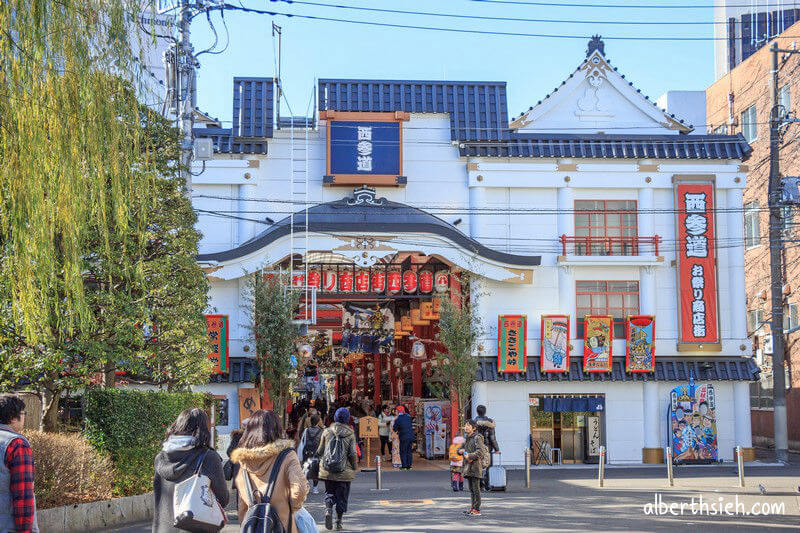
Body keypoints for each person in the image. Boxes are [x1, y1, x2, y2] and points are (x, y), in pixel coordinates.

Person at [153, 408, 229, 533]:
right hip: (197, 526)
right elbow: (223, 499)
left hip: (163, 529)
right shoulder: (208, 457)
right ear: (204, 429)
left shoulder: (161, 457)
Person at [231, 410, 309, 531]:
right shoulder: (287, 456)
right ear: (277, 429)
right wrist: (288, 508)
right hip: (282, 525)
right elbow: (300, 489)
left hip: (254, 526)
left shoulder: (243, 460)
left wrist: (246, 523)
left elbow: (242, 504)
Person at [0, 394, 37, 533]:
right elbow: (22, 494)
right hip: (8, 526)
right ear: (13, 418)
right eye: (23, 413)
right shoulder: (16, 444)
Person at [317, 407, 358, 531]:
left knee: (329, 492)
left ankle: (328, 509)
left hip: (328, 469)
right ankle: (338, 521)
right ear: (347, 419)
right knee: (342, 496)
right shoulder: (350, 434)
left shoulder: (327, 431)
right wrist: (354, 466)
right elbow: (352, 453)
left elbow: (320, 450)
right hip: (344, 472)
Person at [461, 419, 488, 517]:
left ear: (474, 428)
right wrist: (460, 451)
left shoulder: (478, 437)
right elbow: (463, 449)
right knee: (471, 489)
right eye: (465, 425)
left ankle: (477, 509)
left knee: (476, 489)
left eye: (468, 425)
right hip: (468, 467)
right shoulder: (467, 438)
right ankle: (472, 508)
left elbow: (480, 452)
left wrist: (470, 456)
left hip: (475, 467)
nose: (466, 427)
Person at [475, 405, 499, 491]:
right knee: (488, 465)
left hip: (477, 447)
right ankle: (488, 484)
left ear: (477, 412)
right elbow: (492, 438)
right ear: (485, 412)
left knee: (478, 466)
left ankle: (480, 485)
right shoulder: (490, 423)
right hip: (487, 447)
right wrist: (497, 449)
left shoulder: (474, 422)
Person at [298, 414, 324, 494]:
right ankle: (315, 488)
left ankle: (306, 487)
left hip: (307, 452)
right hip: (317, 453)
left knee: (306, 468)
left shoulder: (306, 430)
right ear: (318, 421)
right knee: (316, 470)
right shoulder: (321, 431)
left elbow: (302, 441)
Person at [392, 405, 414, 470]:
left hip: (403, 437)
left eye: (396, 411)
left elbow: (394, 429)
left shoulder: (398, 419)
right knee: (409, 451)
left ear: (398, 411)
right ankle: (409, 466)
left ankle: (404, 466)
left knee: (403, 451)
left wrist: (397, 429)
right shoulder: (408, 417)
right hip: (411, 436)